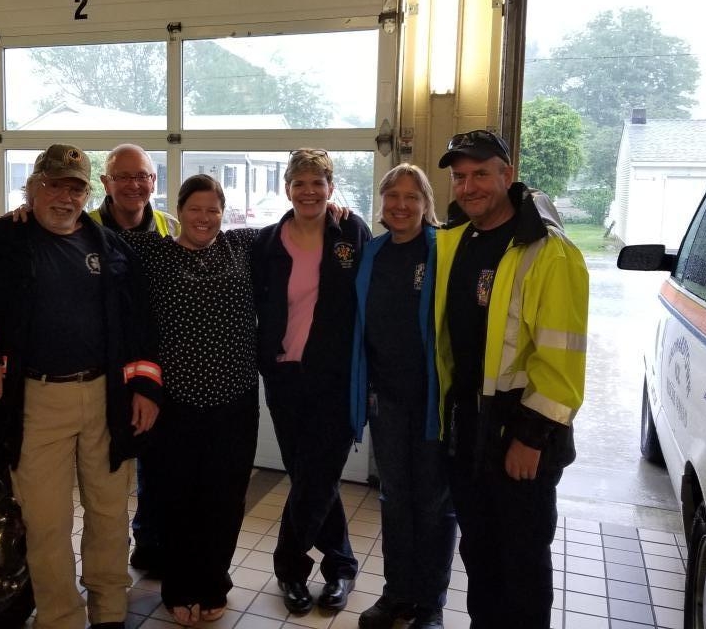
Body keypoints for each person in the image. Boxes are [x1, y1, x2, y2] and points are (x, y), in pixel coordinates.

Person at [0, 144, 162, 629]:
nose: (64, 197)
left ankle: (110, 613)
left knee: (109, 516)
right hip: (35, 403)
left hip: (106, 401)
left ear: (88, 193)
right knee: (47, 525)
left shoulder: (110, 248)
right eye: (53, 185)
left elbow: (139, 323)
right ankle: (60, 619)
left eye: (75, 187)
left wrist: (145, 389)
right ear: (32, 185)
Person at [434, 130, 588, 629]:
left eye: (481, 173)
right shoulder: (455, 241)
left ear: (507, 173)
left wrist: (530, 437)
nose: (469, 185)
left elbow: (560, 360)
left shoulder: (549, 251)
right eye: (460, 177)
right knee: (479, 556)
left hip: (521, 432)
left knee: (521, 562)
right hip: (467, 427)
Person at [121, 175, 260, 627]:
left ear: (224, 213)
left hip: (234, 404)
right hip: (175, 405)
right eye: (195, 209)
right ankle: (179, 587)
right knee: (176, 499)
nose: (204, 218)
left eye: (213, 210)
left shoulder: (242, 246)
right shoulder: (154, 252)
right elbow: (89, 231)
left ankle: (214, 582)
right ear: (178, 211)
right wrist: (25, 212)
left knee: (224, 500)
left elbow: (304, 225)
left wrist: (341, 217)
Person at [251, 148, 370, 614]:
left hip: (335, 380)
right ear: (287, 189)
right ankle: (341, 565)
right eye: (299, 183)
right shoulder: (266, 243)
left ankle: (290, 567)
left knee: (315, 475)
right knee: (309, 477)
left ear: (330, 188)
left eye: (317, 183)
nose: (308, 191)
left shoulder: (350, 232)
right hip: (285, 378)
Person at [350, 163, 457, 629]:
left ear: (426, 203)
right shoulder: (372, 253)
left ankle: (430, 603)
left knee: (433, 502)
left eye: (411, 197)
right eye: (392, 196)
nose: (400, 205)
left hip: (434, 402)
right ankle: (398, 594)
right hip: (387, 400)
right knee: (395, 498)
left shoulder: (445, 249)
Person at [91, 143, 178, 574]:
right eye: (122, 177)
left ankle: (150, 541)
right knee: (104, 471)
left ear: (154, 181)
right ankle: (105, 564)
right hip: (99, 366)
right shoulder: (82, 225)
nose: (133, 185)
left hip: (153, 362)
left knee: (158, 458)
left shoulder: (169, 226)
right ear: (105, 183)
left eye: (142, 176)